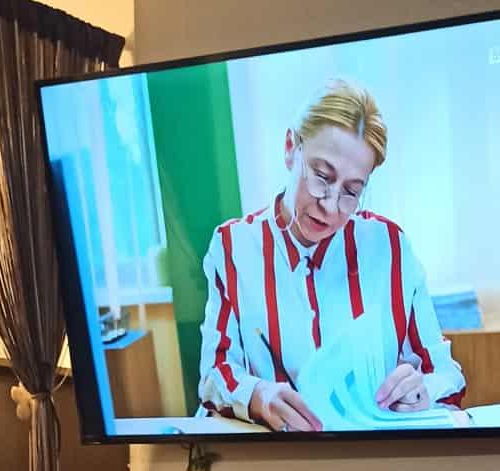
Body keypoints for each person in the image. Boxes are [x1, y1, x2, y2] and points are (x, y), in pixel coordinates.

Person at [197, 80, 468, 431]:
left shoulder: (389, 246)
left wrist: (422, 391)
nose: (330, 206)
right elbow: (215, 372)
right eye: (322, 177)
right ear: (291, 148)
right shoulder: (233, 246)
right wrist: (258, 395)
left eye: (352, 191)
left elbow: (446, 373)